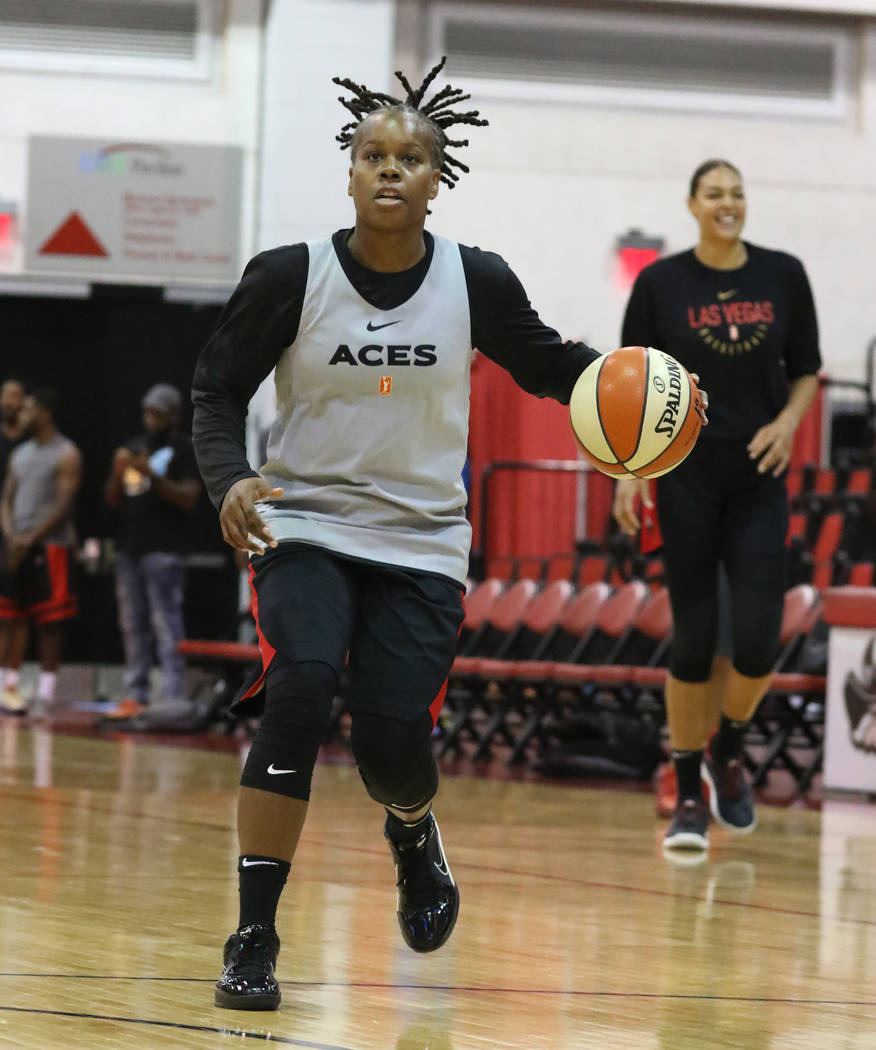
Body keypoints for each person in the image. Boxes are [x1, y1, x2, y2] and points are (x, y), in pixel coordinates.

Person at [192, 57, 600, 1011]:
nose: (387, 169)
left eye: (408, 157)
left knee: (388, 745)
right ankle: (253, 936)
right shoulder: (293, 275)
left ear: (435, 177)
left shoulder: (477, 281)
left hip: (420, 542)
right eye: (371, 153)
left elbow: (555, 367)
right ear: (349, 171)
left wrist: (654, 384)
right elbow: (216, 391)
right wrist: (230, 479)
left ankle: (413, 831)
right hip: (307, 525)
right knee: (297, 686)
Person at [614, 159, 821, 852]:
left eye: (737, 193)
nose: (728, 204)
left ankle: (729, 748)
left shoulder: (783, 274)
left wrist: (788, 425)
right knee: (696, 640)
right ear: (692, 205)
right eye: (715, 194)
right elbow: (632, 383)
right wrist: (628, 473)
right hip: (685, 475)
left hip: (759, 474)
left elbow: (806, 373)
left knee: (761, 640)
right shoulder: (660, 283)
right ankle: (687, 793)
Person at [103, 384, 200, 720]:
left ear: (173, 415)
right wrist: (118, 475)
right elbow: (113, 500)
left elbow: (189, 498)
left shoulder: (184, 449)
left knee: (166, 622)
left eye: (158, 413)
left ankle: (172, 695)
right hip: (129, 547)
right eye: (147, 411)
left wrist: (152, 476)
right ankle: (136, 693)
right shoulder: (134, 446)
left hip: (164, 549)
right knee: (132, 623)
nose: (150, 418)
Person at [0, 389, 82, 715]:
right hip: (16, 544)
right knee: (9, 616)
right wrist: (11, 535)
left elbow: (64, 504)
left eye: (30, 407)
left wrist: (32, 536)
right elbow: (6, 498)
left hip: (51, 546)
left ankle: (45, 695)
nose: (23, 412)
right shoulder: (19, 454)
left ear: (45, 413)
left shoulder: (66, 453)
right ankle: (8, 687)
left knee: (50, 622)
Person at [0, 378, 27, 708]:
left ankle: (10, 685)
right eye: (7, 396)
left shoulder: (30, 444)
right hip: (6, 531)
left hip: (22, 536)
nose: (12, 402)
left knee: (17, 612)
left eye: (18, 397)